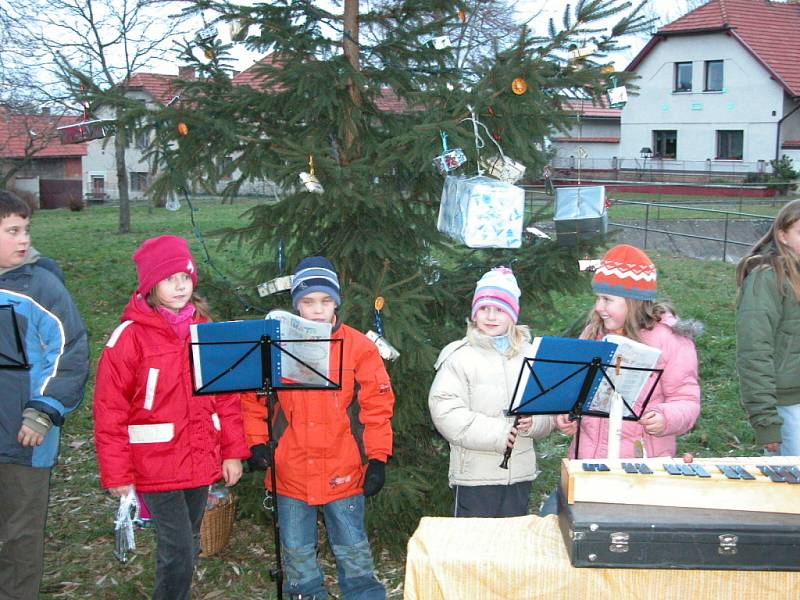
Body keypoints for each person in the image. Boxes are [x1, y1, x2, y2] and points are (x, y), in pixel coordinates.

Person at [93, 235, 249, 600]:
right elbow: (110, 410)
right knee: (177, 544)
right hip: (153, 462)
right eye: (169, 279)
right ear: (150, 285)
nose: (180, 286)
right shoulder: (129, 339)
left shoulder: (206, 330)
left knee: (191, 540)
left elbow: (226, 397)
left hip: (198, 454)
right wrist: (117, 472)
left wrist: (232, 451)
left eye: (186, 277)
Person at [243, 256, 395, 600]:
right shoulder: (275, 345)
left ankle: (363, 593)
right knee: (296, 552)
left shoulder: (359, 347)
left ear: (336, 303)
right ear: (296, 304)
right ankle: (307, 593)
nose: (317, 310)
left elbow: (377, 406)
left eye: (326, 301)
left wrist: (378, 458)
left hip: (344, 469)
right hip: (291, 470)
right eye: (308, 302)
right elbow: (253, 400)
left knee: (353, 548)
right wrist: (257, 443)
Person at [0, 190, 90, 600]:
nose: (24, 239)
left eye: (26, 229)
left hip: (26, 434)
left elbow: (71, 352)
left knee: (21, 533)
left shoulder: (42, 286)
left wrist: (43, 411)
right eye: (12, 230)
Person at [553, 244, 701, 461]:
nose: (598, 307)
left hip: (642, 465)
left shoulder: (670, 340)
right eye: (598, 298)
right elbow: (577, 391)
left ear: (633, 302)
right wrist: (568, 415)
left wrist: (665, 418)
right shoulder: (592, 334)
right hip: (588, 460)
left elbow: (686, 399)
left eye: (607, 300)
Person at [428, 266, 555, 518]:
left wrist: (537, 421)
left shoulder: (531, 356)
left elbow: (550, 410)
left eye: (499, 309)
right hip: (475, 476)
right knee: (476, 548)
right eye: (484, 308)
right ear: (474, 314)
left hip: (519, 472)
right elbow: (445, 411)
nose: (491, 316)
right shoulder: (459, 357)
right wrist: (499, 433)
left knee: (509, 547)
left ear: (513, 315)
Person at [736, 199, 800, 456]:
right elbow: (754, 352)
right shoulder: (766, 279)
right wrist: (766, 421)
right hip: (787, 408)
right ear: (783, 236)